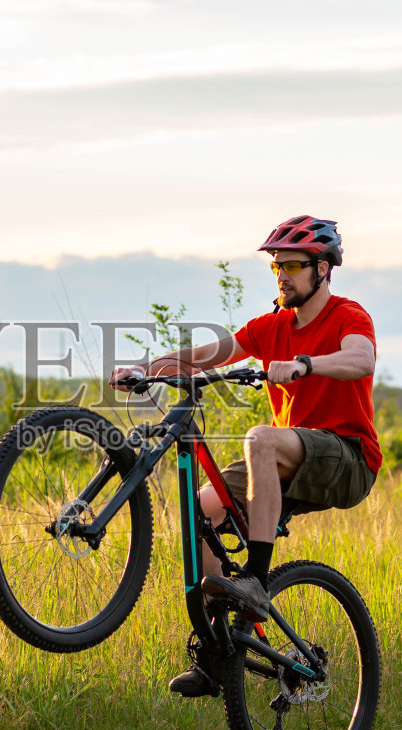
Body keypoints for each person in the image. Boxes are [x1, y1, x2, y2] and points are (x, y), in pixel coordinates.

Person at [108, 215, 383, 697]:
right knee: (199, 510)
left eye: (295, 264)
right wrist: (146, 369)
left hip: (348, 457)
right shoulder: (269, 327)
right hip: (289, 459)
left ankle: (255, 580)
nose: (282, 274)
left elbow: (361, 359)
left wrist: (305, 365)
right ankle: (219, 653)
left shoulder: (348, 316)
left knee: (260, 437)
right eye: (277, 266)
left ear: (324, 270)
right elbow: (205, 354)